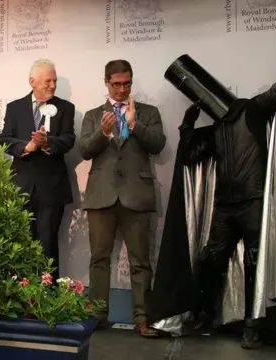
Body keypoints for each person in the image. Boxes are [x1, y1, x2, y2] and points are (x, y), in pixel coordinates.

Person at [148, 24, 276, 349]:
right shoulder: (215, 131)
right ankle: (204, 311)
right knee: (211, 258)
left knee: (255, 262)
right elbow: (189, 158)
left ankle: (254, 325)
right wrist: (187, 126)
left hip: (254, 204)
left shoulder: (254, 110)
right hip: (226, 208)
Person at [79, 60, 166, 337]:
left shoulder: (148, 112)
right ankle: (97, 315)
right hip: (102, 195)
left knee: (141, 261)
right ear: (106, 82)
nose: (121, 89)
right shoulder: (94, 115)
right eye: (116, 83)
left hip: (136, 195)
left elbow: (158, 144)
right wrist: (103, 134)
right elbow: (84, 150)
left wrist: (135, 125)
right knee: (99, 259)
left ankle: (143, 318)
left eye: (126, 83)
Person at [0, 59, 75, 279]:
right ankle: (22, 297)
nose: (52, 85)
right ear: (32, 81)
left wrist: (48, 143)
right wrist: (27, 146)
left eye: (55, 81)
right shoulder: (15, 107)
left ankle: (48, 300)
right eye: (47, 81)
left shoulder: (66, 108)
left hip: (52, 189)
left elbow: (69, 140)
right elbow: (5, 139)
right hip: (21, 189)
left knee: (48, 245)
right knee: (20, 245)